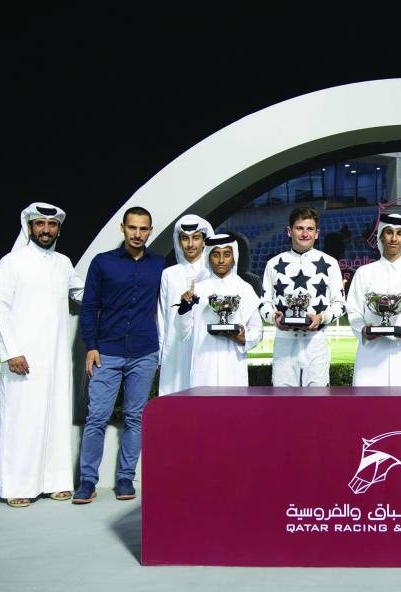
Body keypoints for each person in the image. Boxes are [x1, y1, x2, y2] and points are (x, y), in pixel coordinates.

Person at [0, 202, 84, 507]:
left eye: (52, 224)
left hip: (56, 358)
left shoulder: (64, 263)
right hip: (23, 360)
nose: (46, 230)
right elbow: (0, 310)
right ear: (30, 227)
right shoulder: (12, 263)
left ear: (58, 229)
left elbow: (82, 294)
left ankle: (55, 482)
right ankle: (18, 486)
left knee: (55, 417)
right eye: (40, 224)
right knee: (22, 420)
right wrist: (12, 352)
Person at [73, 206, 164, 504]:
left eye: (143, 229)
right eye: (132, 228)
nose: (137, 234)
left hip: (144, 352)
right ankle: (87, 481)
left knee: (135, 417)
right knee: (96, 417)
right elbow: (89, 308)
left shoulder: (160, 265)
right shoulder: (102, 263)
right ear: (122, 228)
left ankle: (125, 478)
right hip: (107, 352)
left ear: (150, 231)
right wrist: (92, 346)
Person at [260, 207, 346, 386]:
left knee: (317, 403)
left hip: (316, 341)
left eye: (310, 229)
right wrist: (273, 318)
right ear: (289, 231)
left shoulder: (330, 264)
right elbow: (265, 303)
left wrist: (321, 317)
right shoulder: (273, 264)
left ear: (317, 233)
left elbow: (340, 304)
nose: (305, 233)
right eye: (299, 228)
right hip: (284, 341)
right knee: (283, 403)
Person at [345, 213, 401, 386]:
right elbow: (353, 310)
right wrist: (363, 329)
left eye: (400, 233)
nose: (394, 238)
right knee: (367, 409)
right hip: (370, 356)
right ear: (380, 236)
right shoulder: (364, 272)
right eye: (389, 232)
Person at [178, 233, 263, 387]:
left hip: (233, 366)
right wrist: (184, 309)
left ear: (234, 256)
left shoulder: (244, 289)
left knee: (234, 410)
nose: (222, 260)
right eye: (216, 254)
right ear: (209, 257)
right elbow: (183, 334)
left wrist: (243, 339)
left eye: (227, 254)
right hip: (203, 366)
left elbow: (257, 331)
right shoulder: (197, 289)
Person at [156, 214, 213, 395]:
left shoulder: (213, 272)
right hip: (174, 349)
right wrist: (161, 353)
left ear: (204, 241)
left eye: (196, 238)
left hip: (205, 346)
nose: (190, 244)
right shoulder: (169, 274)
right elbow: (161, 316)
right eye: (185, 238)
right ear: (179, 241)